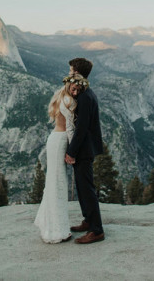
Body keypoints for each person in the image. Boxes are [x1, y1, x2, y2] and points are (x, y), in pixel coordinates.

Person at [34, 73, 89, 243]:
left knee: (54, 181)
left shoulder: (60, 97)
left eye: (78, 90)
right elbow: (71, 128)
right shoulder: (70, 102)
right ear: (68, 86)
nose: (75, 92)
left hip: (54, 139)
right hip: (60, 142)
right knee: (58, 183)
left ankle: (51, 226)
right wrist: (73, 152)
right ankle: (57, 231)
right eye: (73, 88)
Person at [65, 57, 105, 244]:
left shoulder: (85, 97)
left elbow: (81, 128)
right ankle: (88, 221)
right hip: (84, 148)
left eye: (71, 70)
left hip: (84, 149)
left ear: (77, 73)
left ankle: (97, 230)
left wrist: (71, 151)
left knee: (87, 189)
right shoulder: (85, 93)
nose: (70, 73)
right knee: (82, 187)